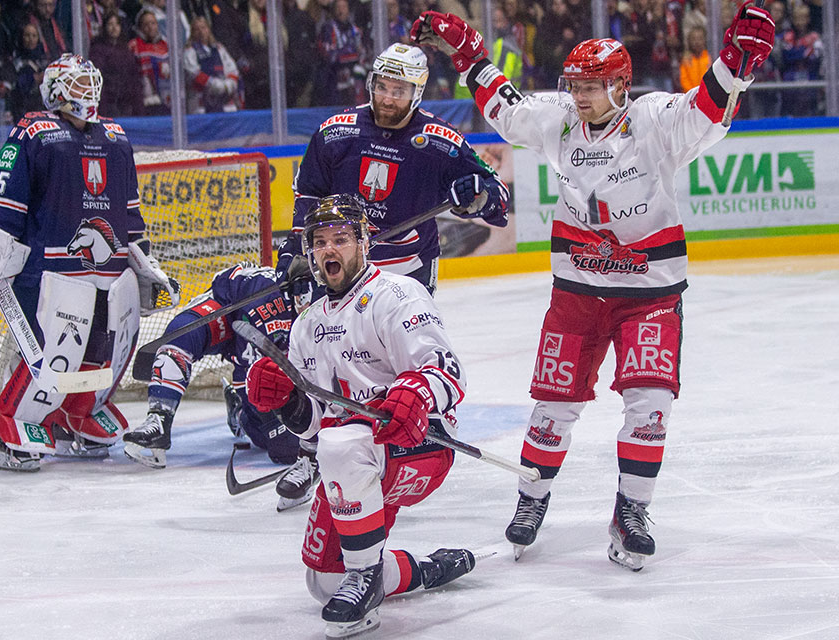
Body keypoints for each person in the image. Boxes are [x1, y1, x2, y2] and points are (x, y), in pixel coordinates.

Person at [412, 2, 774, 571]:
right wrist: (466, 52)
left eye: (593, 86)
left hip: (651, 293)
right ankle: (532, 500)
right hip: (577, 290)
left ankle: (631, 509)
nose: (580, 95)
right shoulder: (559, 117)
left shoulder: (655, 120)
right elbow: (505, 108)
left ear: (621, 87)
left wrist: (732, 65)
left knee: (650, 402)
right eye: (575, 84)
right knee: (553, 405)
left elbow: (704, 110)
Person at [246, 194, 477, 639]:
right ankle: (424, 570)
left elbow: (448, 370)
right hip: (353, 457)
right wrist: (287, 401)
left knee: (341, 442)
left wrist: (416, 391)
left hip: (420, 444)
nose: (329, 249)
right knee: (323, 580)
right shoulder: (307, 323)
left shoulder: (397, 294)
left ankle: (366, 576)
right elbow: (312, 422)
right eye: (320, 242)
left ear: (363, 243)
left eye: (341, 239)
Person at [0, 53, 178, 472]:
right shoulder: (34, 132)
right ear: (54, 90)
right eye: (76, 85)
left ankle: (82, 410)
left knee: (107, 352)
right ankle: (16, 422)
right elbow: (2, 200)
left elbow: (130, 214)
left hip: (109, 275)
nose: (87, 94)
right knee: (58, 354)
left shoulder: (115, 137)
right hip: (51, 272)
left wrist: (144, 261)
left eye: (91, 84)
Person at [277, 42, 509, 297]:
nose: (387, 99)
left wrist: (478, 196)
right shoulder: (335, 133)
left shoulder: (441, 142)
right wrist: (298, 248)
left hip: (409, 269)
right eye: (381, 87)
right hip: (344, 266)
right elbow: (309, 194)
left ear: (417, 92)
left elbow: (498, 196)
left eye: (398, 91)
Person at [122, 262, 322, 511]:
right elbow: (217, 295)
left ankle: (239, 411)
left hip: (290, 390)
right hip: (248, 357)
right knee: (183, 333)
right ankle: (158, 419)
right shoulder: (255, 286)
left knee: (283, 446)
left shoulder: (339, 306)